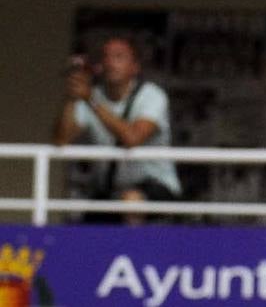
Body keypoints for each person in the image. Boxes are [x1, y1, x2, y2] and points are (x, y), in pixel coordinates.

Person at [53, 34, 181, 222]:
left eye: (119, 57)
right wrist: (73, 96)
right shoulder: (93, 95)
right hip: (110, 192)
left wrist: (90, 100)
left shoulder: (152, 95)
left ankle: (135, 251)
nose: (110, 63)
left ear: (135, 67)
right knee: (84, 228)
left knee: (131, 200)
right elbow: (61, 139)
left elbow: (133, 138)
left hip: (155, 188)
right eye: (106, 56)